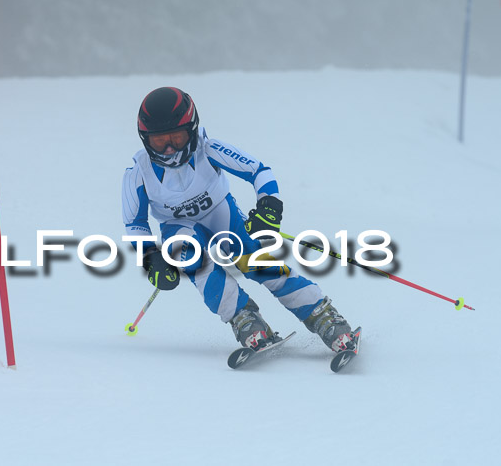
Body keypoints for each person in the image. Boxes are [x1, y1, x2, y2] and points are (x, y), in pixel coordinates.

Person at [121, 86, 355, 353]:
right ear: (145, 139)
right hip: (178, 227)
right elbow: (135, 224)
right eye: (160, 141)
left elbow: (259, 171)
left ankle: (322, 315)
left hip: (221, 214)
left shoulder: (208, 149)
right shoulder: (137, 173)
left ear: (192, 129)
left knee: (255, 261)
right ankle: (244, 319)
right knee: (193, 261)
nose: (170, 148)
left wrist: (269, 205)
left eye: (177, 137)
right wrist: (151, 258)